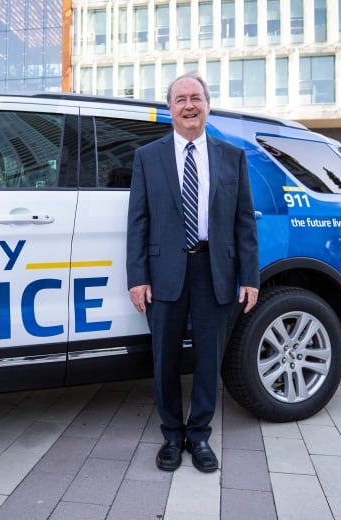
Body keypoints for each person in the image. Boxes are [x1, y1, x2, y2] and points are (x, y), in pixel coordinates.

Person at [126, 72, 259, 473]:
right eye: (180, 98)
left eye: (195, 97)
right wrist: (137, 276)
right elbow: (138, 221)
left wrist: (249, 276)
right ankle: (171, 434)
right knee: (164, 358)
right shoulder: (147, 157)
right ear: (169, 109)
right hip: (164, 270)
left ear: (207, 104)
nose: (188, 105)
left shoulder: (232, 157)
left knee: (208, 359)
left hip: (214, 269)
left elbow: (244, 223)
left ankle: (199, 435)